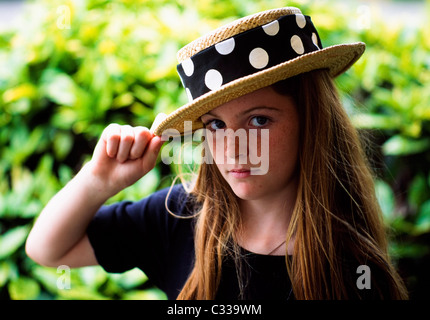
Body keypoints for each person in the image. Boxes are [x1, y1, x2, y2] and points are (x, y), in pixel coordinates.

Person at [26, 7, 408, 300]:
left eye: (258, 120)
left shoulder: (355, 271)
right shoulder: (181, 216)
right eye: (216, 125)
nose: (234, 146)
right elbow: (48, 249)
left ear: (313, 121)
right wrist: (97, 182)